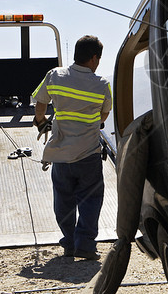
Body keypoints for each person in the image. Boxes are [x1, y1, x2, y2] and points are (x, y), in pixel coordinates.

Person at [32, 35, 112, 260]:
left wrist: (42, 121)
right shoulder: (102, 85)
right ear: (94, 58)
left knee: (63, 199)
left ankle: (68, 243)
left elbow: (40, 106)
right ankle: (85, 245)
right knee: (90, 199)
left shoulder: (55, 75)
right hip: (88, 154)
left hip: (61, 154)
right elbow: (103, 116)